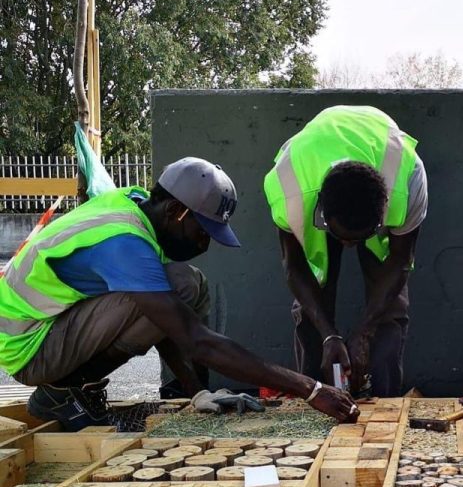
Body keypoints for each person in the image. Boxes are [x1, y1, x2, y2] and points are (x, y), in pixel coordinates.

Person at [0, 157, 358, 430]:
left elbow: (164, 321)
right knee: (177, 286)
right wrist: (309, 389)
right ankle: (61, 394)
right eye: (202, 232)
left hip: (53, 327)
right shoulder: (124, 242)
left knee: (183, 284)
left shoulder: (137, 204)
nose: (205, 244)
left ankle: (153, 391)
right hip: (30, 348)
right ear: (175, 211)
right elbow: (197, 339)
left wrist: (196, 391)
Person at [264, 105, 427, 397]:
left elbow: (401, 261)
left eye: (360, 237)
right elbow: (295, 267)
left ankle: (385, 401)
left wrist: (365, 331)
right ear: (323, 214)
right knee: (312, 307)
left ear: (381, 217)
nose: (349, 246)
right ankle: (314, 395)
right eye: (342, 237)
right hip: (310, 182)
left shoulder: (409, 179)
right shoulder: (289, 188)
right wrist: (330, 335)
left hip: (384, 181)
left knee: (390, 308)